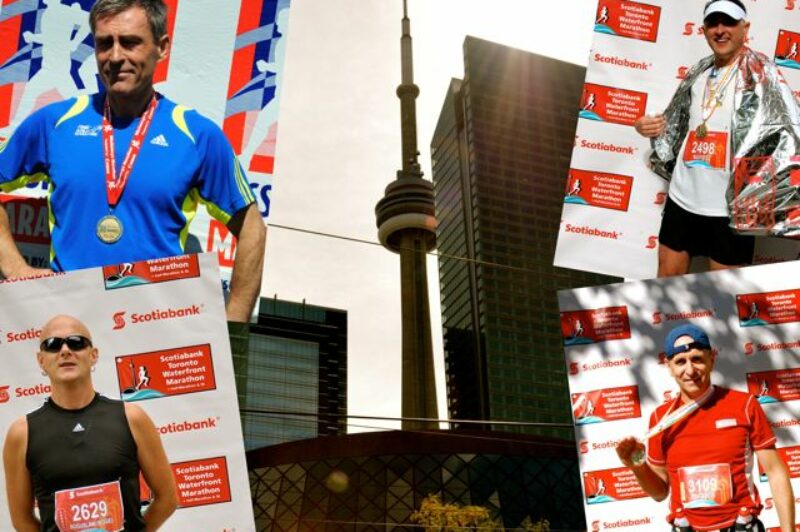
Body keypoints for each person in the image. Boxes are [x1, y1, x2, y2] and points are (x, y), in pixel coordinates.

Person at [0, 0, 266, 323]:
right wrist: (16, 271)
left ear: (162, 48)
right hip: (68, 326)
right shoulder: (56, 122)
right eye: (104, 43)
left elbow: (252, 226)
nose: (114, 57)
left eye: (130, 42)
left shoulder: (196, 135)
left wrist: (234, 322)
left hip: (152, 332)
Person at [634, 0, 800, 277]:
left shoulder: (762, 72)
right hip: (682, 199)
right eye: (713, 23)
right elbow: (676, 123)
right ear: (704, 29)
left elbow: (791, 128)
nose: (720, 30)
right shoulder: (699, 71)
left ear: (745, 28)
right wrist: (647, 126)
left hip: (729, 211)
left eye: (729, 22)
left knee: (724, 299)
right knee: (664, 286)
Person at [2, 315, 177, 531]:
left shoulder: (132, 418)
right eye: (53, 345)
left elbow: (168, 498)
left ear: (93, 355)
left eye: (76, 342)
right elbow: (22, 521)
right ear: (41, 360)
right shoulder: (21, 434)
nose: (65, 350)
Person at [615, 324, 795, 532]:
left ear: (711, 359)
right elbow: (659, 493)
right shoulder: (660, 419)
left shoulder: (744, 405)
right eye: (680, 362)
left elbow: (775, 472)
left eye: (697, 359)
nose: (690, 370)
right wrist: (638, 468)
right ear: (669, 366)